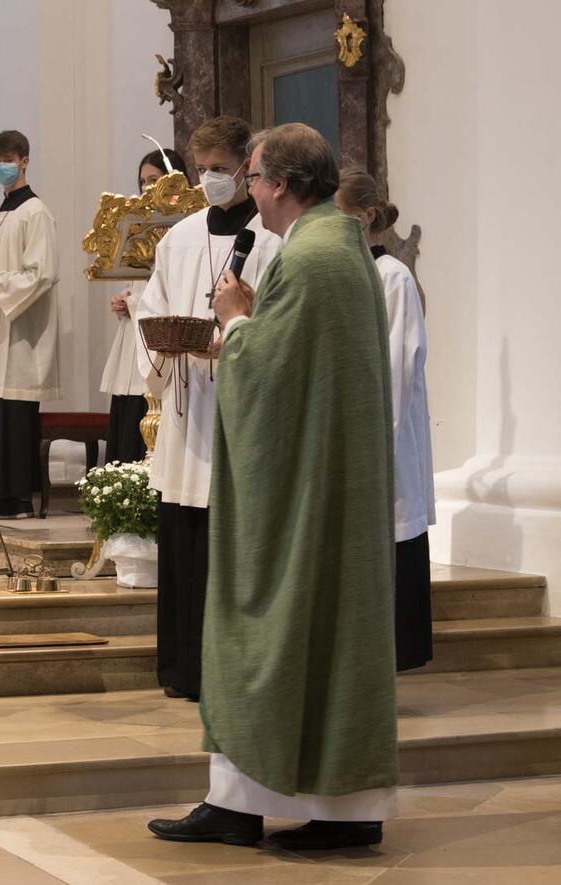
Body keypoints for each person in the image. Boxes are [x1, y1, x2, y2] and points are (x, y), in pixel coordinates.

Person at [148, 123, 398, 850]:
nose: (248, 192)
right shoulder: (332, 245)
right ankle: (308, 806)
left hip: (298, 493)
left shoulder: (313, 258)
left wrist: (235, 321)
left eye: (252, 177)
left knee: (263, 619)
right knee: (327, 638)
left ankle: (253, 805)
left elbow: (263, 371)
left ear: (280, 183)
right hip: (325, 480)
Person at [134, 118, 280, 702]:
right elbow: (154, 305)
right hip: (186, 406)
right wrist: (167, 341)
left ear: (247, 167)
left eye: (221, 168)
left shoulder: (271, 241)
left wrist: (228, 338)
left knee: (228, 537)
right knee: (185, 536)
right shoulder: (180, 237)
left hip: (236, 409)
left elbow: (277, 323)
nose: (211, 179)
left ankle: (228, 670)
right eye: (203, 169)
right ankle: (182, 666)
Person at [337, 170, 435, 672]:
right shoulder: (344, 275)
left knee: (392, 535)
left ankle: (398, 652)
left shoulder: (391, 277)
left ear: (366, 216)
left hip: (383, 441)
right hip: (352, 436)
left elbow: (395, 369)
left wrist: (370, 443)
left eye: (337, 216)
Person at [0, 130, 59, 518]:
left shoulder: (36, 212)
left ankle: (18, 497)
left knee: (17, 414)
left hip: (21, 333)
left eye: (6, 158)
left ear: (24, 160)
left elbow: (43, 274)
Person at [100, 147, 186, 464]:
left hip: (160, 337)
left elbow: (173, 287)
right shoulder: (138, 223)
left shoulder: (184, 225)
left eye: (154, 180)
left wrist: (135, 302)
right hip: (133, 332)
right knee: (127, 407)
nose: (147, 188)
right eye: (143, 181)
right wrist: (126, 298)